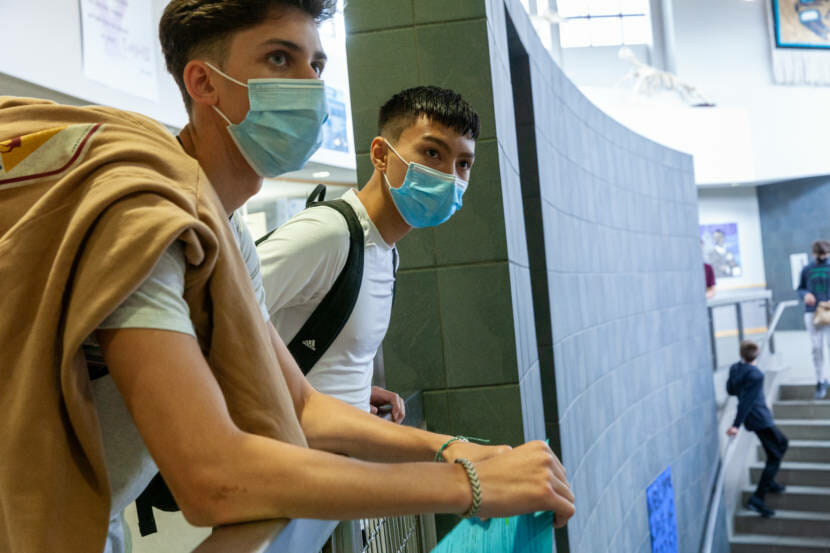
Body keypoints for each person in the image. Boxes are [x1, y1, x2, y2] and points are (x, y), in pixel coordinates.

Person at [0, 1, 574, 551]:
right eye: (279, 59)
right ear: (204, 83)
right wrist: (471, 488)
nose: (308, 85)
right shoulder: (147, 220)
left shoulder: (225, 232)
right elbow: (213, 478)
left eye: (316, 64)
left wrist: (454, 450)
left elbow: (299, 406)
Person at [258, 86, 477, 423]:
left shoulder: (384, 252)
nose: (449, 176)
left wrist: (355, 395)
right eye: (432, 153)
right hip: (287, 461)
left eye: (463, 164)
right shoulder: (328, 234)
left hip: (336, 460)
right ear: (381, 154)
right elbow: (216, 315)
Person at [726, 340, 789, 518]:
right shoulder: (756, 375)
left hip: (757, 419)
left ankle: (769, 482)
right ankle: (757, 498)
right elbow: (746, 402)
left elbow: (731, 390)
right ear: (758, 354)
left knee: (782, 443)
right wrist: (735, 426)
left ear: (741, 354)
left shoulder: (736, 368)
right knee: (776, 455)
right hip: (760, 418)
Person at [796, 239, 830, 399]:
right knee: (816, 348)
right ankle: (820, 380)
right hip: (812, 312)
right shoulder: (807, 269)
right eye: (820, 254)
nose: (823, 257)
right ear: (814, 253)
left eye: (825, 254)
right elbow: (800, 288)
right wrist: (806, 295)